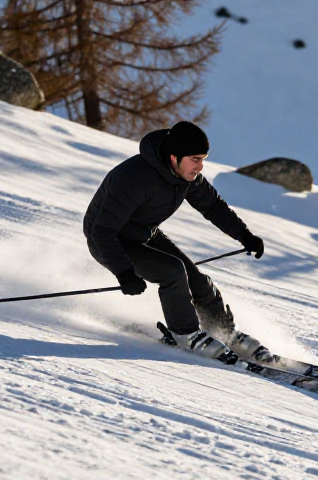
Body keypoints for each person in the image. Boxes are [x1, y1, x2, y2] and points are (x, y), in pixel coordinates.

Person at [83, 121, 271, 362]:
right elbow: (102, 231)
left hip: (144, 233)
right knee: (172, 272)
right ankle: (187, 335)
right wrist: (124, 272)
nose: (200, 166)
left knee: (198, 280)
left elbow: (213, 206)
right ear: (174, 157)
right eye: (195, 159)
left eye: (203, 159)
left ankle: (224, 332)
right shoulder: (134, 178)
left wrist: (244, 235)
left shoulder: (187, 176)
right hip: (110, 240)